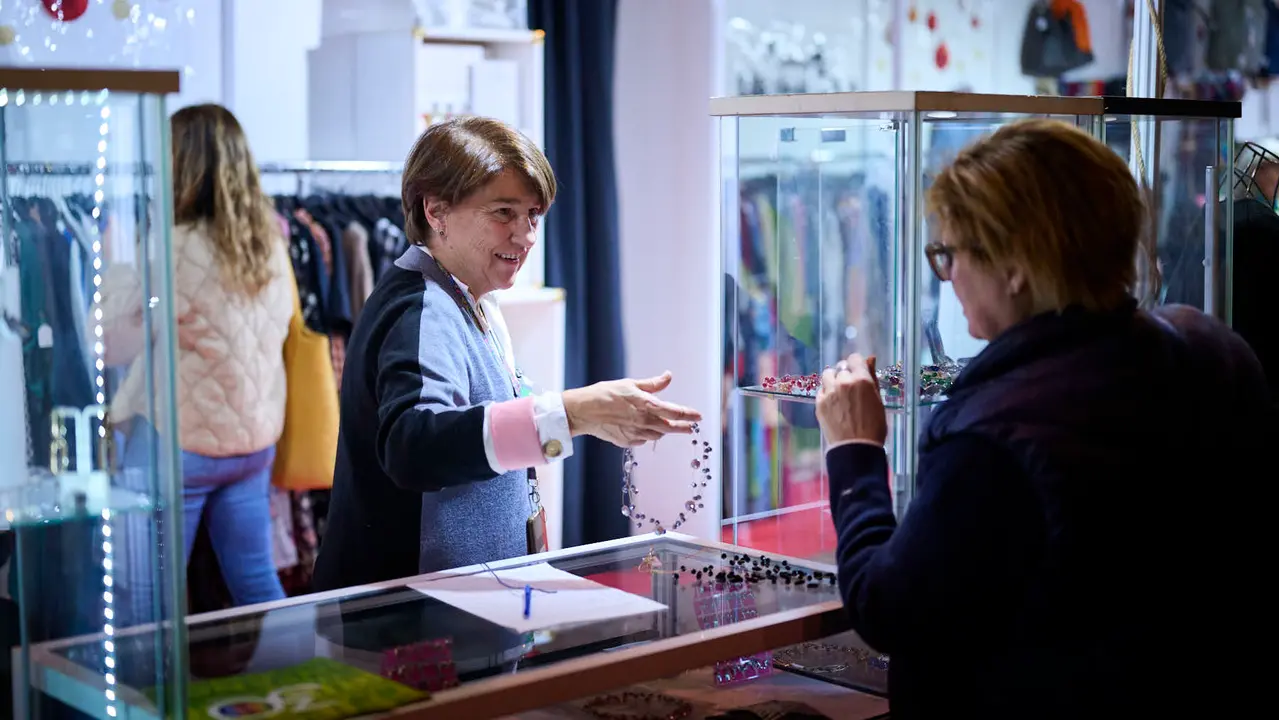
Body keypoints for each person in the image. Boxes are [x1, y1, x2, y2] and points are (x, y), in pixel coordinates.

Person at [814, 119, 1270, 717]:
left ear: (1015, 267)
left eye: (951, 254)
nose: (947, 277)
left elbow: (889, 607)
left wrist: (854, 453)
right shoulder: (1212, 352)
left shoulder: (996, 436)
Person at [313, 117, 701, 591]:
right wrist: (569, 414)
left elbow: (481, 418)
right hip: (410, 627)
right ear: (435, 210)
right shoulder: (422, 309)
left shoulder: (469, 297)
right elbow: (412, 447)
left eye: (534, 215)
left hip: (458, 612)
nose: (526, 235)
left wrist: (582, 416)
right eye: (503, 213)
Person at [101, 104, 292, 609]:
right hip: (251, 442)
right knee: (255, 580)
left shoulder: (171, 244)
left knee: (149, 594)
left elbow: (114, 341)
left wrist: (120, 263)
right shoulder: (270, 241)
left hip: (182, 443)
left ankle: (147, 691)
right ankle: (305, 684)